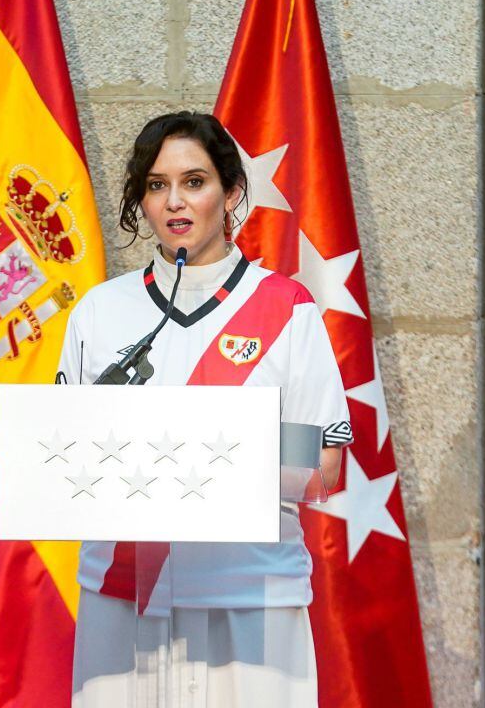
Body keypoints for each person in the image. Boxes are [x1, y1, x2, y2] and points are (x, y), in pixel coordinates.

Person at [57, 111, 351, 707]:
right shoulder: (99, 310)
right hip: (123, 595)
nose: (175, 202)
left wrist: (210, 461)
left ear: (232, 192)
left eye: (195, 181)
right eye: (157, 185)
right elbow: (61, 454)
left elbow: (326, 462)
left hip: (250, 596)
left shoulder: (286, 308)